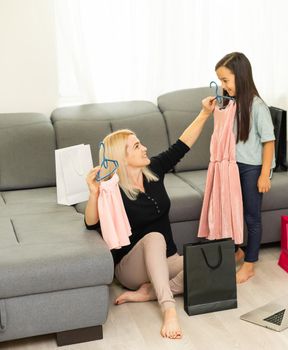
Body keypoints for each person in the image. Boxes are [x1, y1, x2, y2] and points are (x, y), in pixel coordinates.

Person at [84, 97, 216, 339]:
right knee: (154, 237)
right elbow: (91, 223)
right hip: (130, 268)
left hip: (167, 260)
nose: (144, 148)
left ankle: (150, 292)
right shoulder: (113, 189)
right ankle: (168, 309)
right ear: (121, 158)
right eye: (136, 146)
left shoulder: (153, 169)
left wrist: (205, 113)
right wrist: (93, 194)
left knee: (205, 263)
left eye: (140, 143)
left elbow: (182, 144)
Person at [215, 52, 276, 283]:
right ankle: (237, 251)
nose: (223, 85)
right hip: (233, 165)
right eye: (220, 81)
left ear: (240, 77)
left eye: (226, 80)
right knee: (232, 212)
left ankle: (249, 265)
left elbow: (269, 141)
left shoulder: (258, 106)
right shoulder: (231, 104)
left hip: (252, 168)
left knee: (252, 217)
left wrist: (264, 175)